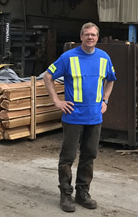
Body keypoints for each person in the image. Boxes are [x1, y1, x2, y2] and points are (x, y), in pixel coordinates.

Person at [43, 22, 116, 213]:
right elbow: (47, 76)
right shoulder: (68, 57)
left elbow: (111, 80)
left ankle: (82, 192)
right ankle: (65, 194)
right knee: (67, 157)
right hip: (73, 116)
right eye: (86, 34)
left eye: (93, 35)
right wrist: (56, 101)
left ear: (97, 38)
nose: (90, 37)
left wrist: (105, 100)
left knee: (89, 156)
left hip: (94, 117)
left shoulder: (104, 58)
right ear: (81, 37)